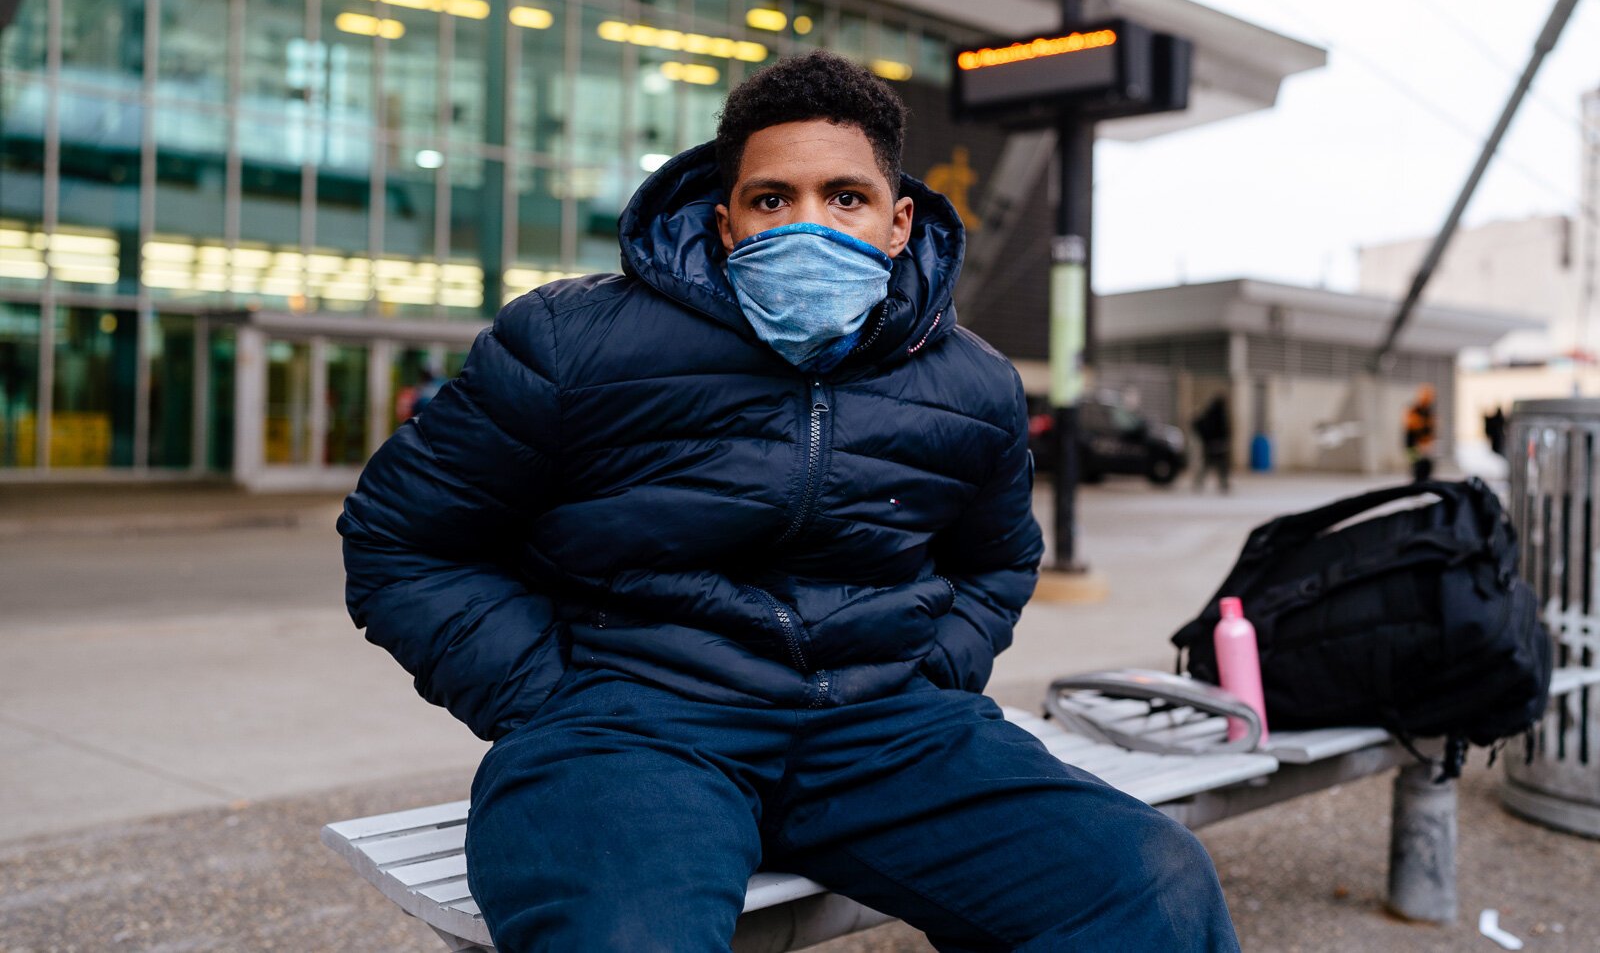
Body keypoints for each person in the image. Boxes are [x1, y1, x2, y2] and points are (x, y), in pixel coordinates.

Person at [339, 51, 1239, 952]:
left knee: (1148, 880)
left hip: (886, 728)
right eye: (774, 199)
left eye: (845, 197)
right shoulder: (572, 343)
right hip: (634, 732)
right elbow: (401, 538)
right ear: (726, 222)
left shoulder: (974, 384)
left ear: (898, 221)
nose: (809, 224)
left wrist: (930, 670)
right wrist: (550, 695)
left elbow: (995, 559)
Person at [1191, 394, 1231, 493]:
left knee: (1208, 465)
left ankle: (1200, 482)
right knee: (1219, 466)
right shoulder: (1218, 415)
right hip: (1217, 445)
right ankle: (1222, 483)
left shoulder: (1209, 413)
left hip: (1211, 445)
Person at [1404, 384, 1437, 482]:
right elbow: (1412, 426)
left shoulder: (1428, 411)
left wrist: (1428, 443)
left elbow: (1432, 427)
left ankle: (1424, 482)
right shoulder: (1414, 410)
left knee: (1426, 464)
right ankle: (1417, 484)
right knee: (1416, 464)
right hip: (1412, 443)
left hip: (1424, 443)